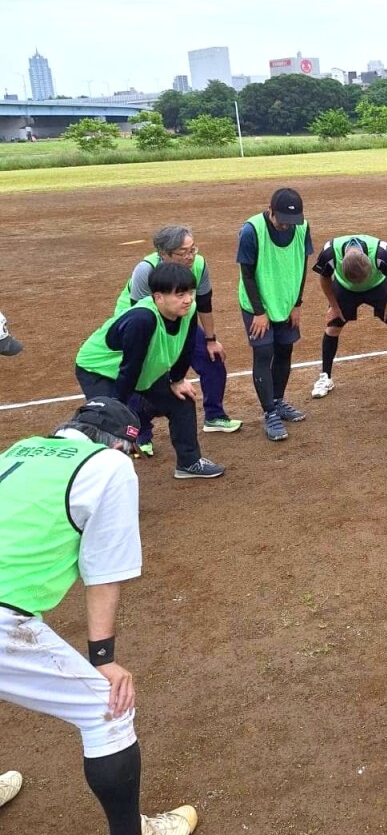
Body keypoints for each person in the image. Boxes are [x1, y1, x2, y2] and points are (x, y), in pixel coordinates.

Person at [0, 396, 200, 833]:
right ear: (118, 445)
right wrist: (102, 657)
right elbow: (105, 569)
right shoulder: (109, 466)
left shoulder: (20, 449)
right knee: (105, 709)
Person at [75, 262, 225, 480]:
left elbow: (187, 346)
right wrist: (118, 410)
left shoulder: (188, 310)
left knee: (182, 401)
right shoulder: (142, 320)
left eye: (190, 292)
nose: (188, 299)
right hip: (99, 369)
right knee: (108, 422)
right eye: (180, 294)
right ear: (158, 297)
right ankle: (103, 481)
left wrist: (176, 379)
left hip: (142, 367)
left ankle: (189, 463)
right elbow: (130, 368)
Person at [115, 225, 241, 457]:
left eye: (192, 249)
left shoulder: (199, 264)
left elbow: (203, 302)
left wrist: (211, 339)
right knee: (145, 375)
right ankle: (142, 434)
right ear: (164, 254)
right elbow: (141, 316)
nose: (191, 256)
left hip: (180, 319)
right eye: (183, 253)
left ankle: (214, 416)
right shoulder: (146, 270)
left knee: (211, 357)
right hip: (141, 326)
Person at [237, 188, 313, 441]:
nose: (286, 226)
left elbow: (302, 266)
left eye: (291, 221)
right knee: (264, 353)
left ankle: (278, 401)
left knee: (285, 351)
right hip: (258, 305)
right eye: (282, 220)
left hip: (287, 303)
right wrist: (259, 312)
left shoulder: (302, 228)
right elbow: (247, 274)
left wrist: (297, 303)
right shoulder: (252, 231)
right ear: (271, 211)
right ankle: (269, 412)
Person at [309, 233, 387, 399]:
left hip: (378, 286)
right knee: (333, 326)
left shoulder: (381, 252)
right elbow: (324, 278)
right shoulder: (329, 253)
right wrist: (333, 306)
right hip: (345, 288)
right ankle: (325, 377)